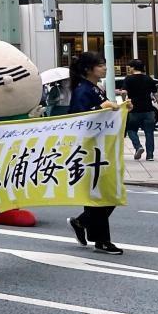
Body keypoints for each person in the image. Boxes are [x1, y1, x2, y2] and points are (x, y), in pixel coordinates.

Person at [67, 51, 125, 256]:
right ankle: (101, 240)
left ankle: (82, 222)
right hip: (89, 151)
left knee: (107, 193)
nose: (105, 68)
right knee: (101, 194)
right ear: (88, 69)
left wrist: (121, 107)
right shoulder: (83, 90)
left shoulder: (94, 88)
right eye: (100, 65)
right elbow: (78, 119)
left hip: (100, 148)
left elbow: (105, 112)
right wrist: (101, 106)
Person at [123, 59, 158, 161]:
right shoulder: (148, 79)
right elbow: (156, 95)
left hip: (134, 110)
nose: (129, 69)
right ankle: (150, 156)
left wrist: (124, 101)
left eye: (129, 67)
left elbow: (123, 92)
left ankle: (138, 146)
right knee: (149, 133)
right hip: (148, 110)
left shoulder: (129, 79)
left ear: (133, 68)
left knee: (131, 130)